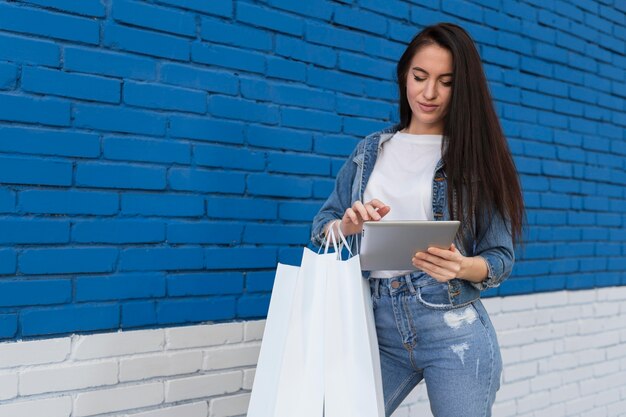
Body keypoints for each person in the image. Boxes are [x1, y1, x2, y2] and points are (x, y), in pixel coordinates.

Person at [310, 22, 525, 417]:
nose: (429, 93)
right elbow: (322, 230)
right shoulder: (370, 151)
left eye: (446, 82)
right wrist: (348, 226)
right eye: (419, 76)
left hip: (452, 325)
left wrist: (463, 265)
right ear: (403, 75)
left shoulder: (475, 158)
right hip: (373, 324)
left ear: (464, 89)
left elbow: (499, 259)